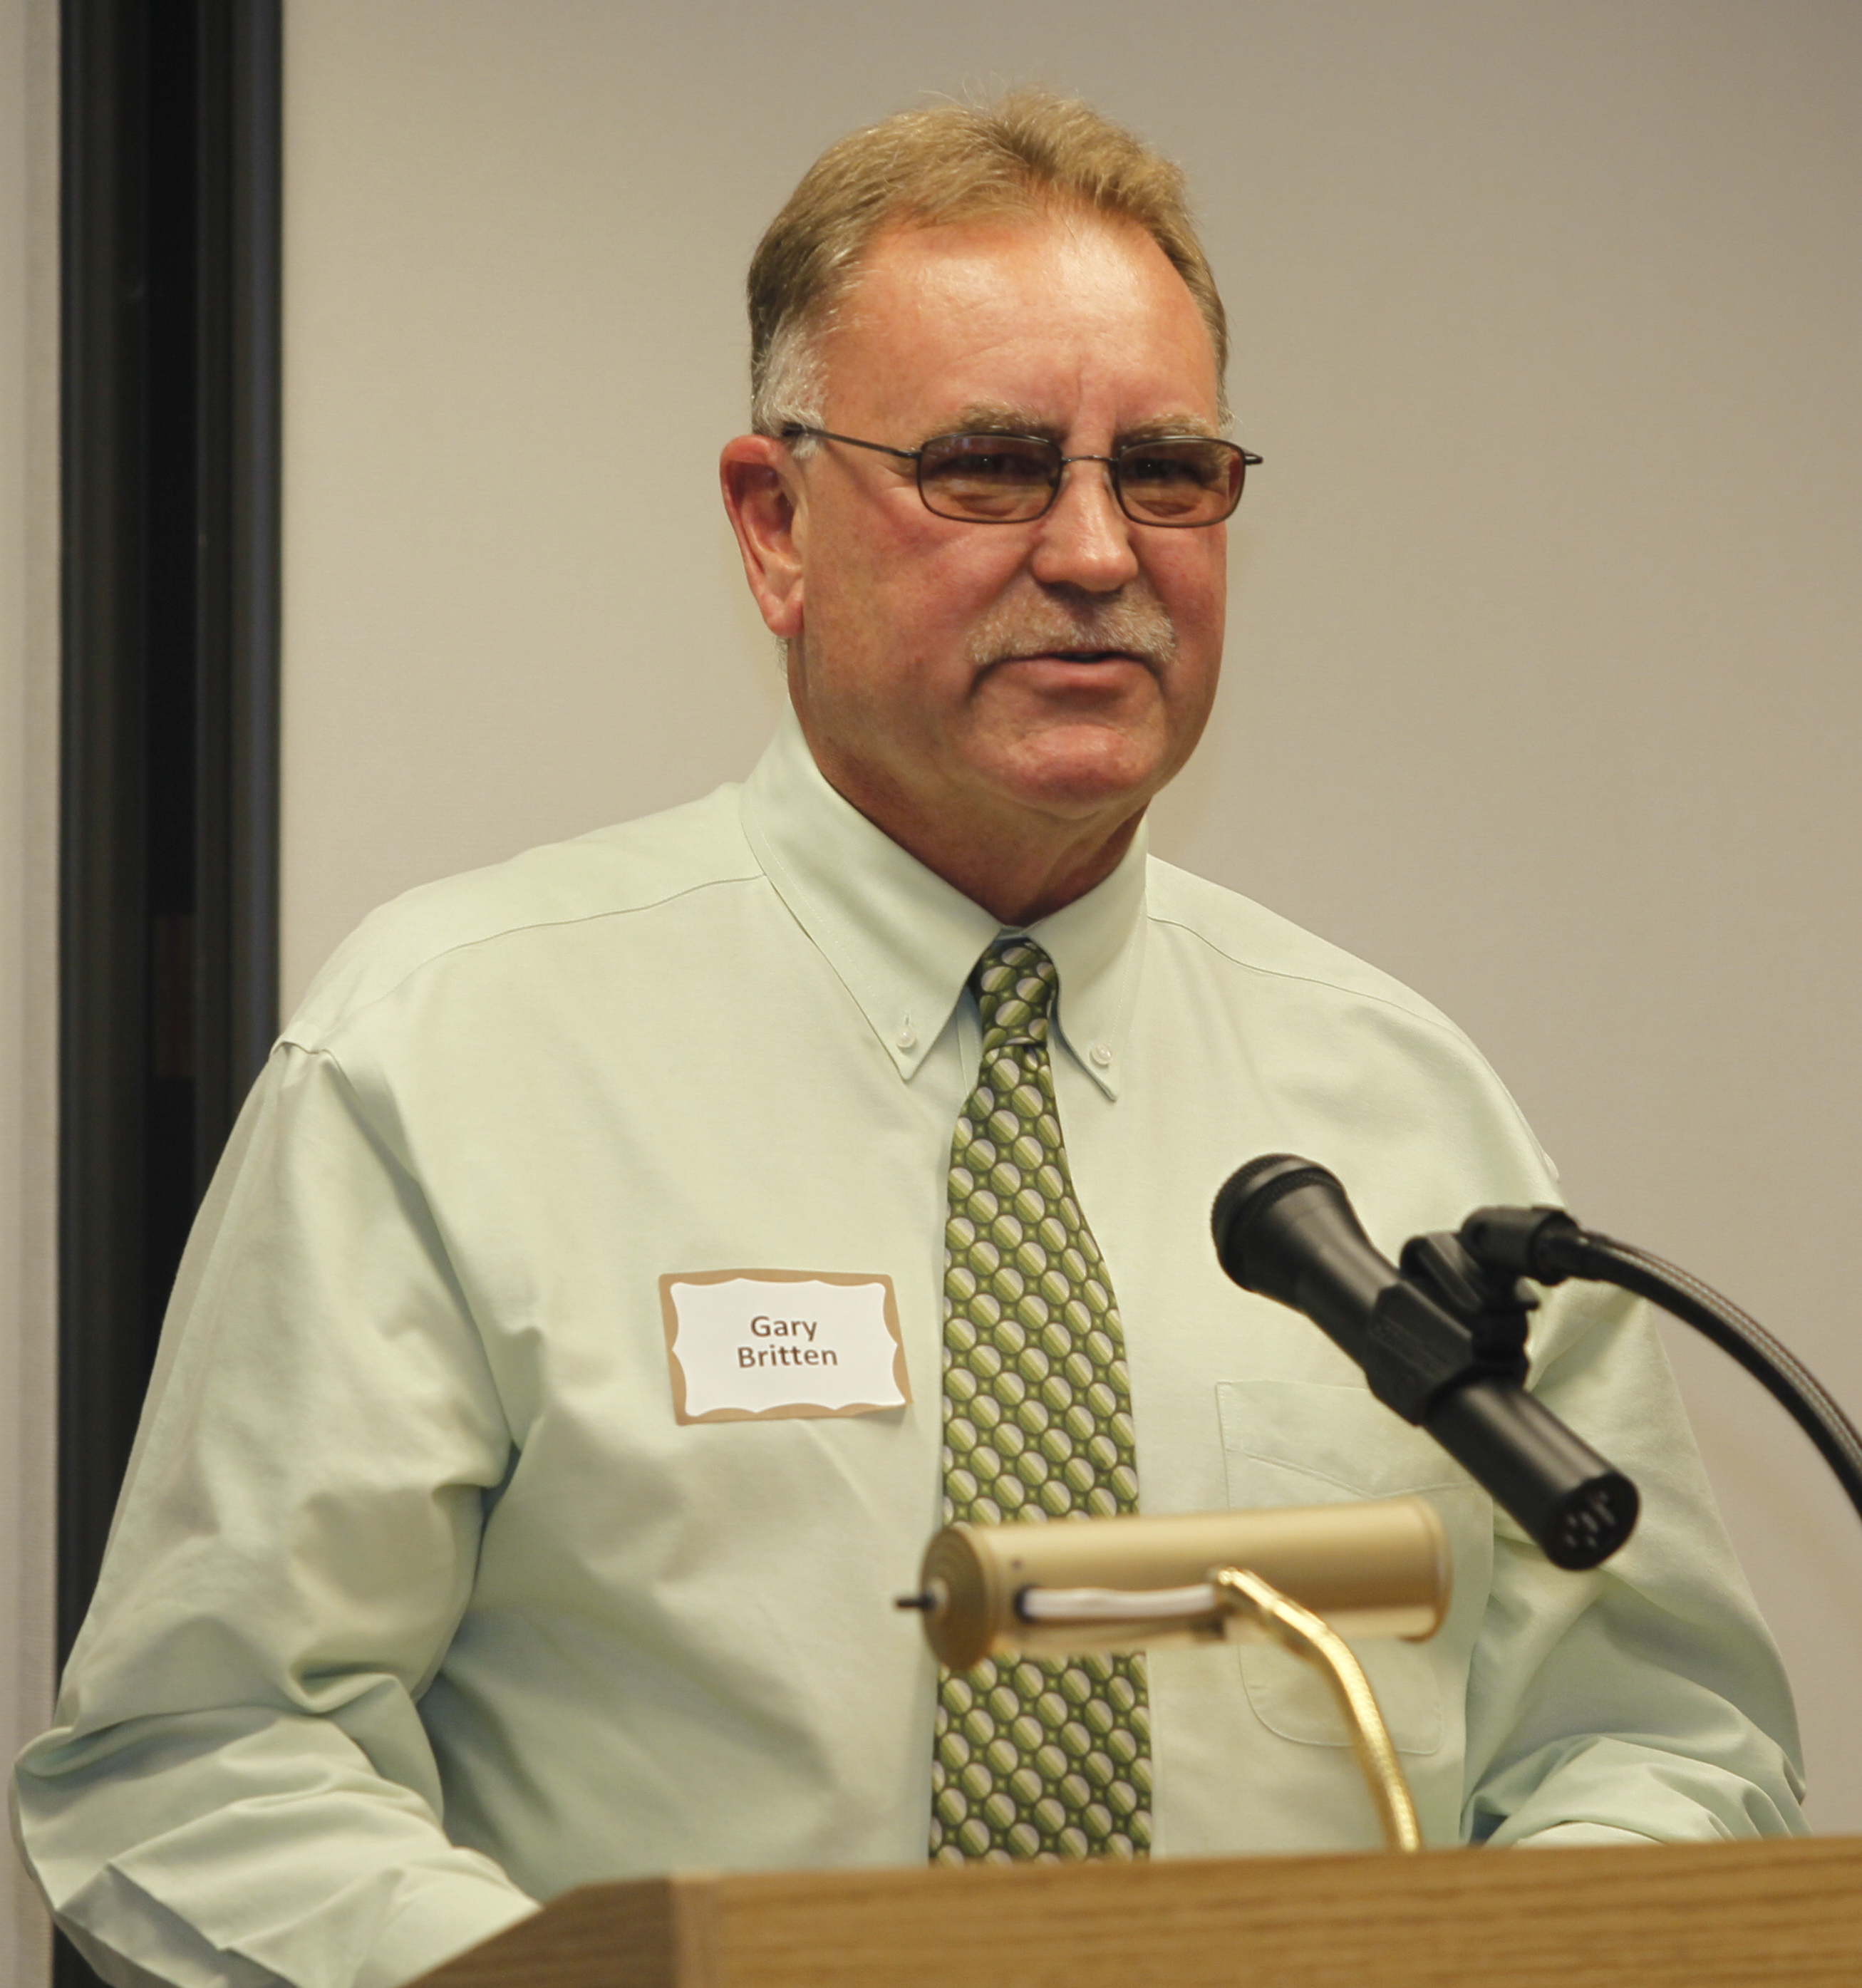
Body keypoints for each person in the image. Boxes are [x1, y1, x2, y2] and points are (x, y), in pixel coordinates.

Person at [16, 89, 1803, 1988]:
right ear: (774, 525)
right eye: (993, 469)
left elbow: (1658, 1740)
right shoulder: (453, 1055)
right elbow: (206, 1762)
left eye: (1169, 471)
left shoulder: (1404, 1108)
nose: (1099, 551)